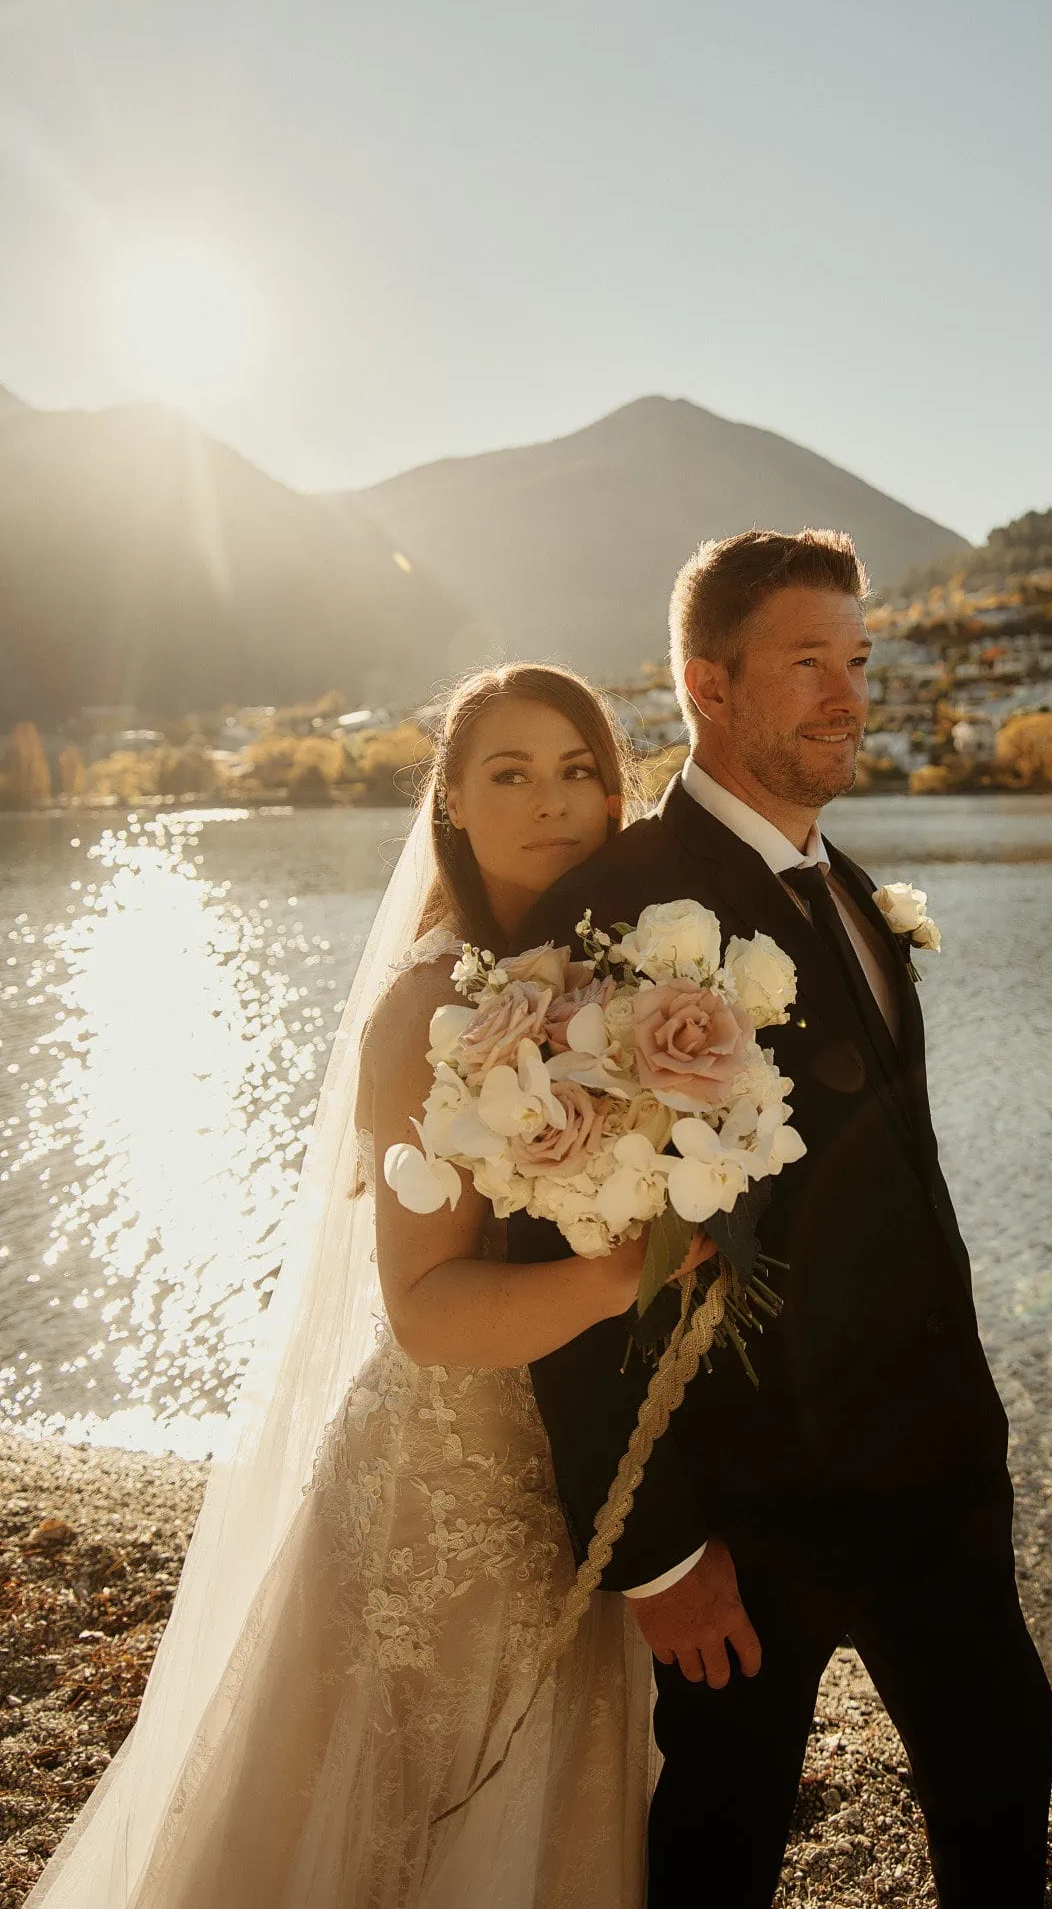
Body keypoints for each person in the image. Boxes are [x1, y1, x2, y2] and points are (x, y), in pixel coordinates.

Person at [29, 663, 704, 1909]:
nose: (553, 801)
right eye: (510, 773)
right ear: (451, 802)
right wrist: (625, 1273)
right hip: (448, 1492)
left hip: (584, 1476)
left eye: (578, 770)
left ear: (616, 792)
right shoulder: (430, 1010)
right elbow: (428, 1311)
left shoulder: (622, 972)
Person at [508, 533, 1052, 1909]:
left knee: (1002, 1780)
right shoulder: (614, 914)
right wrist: (659, 1553)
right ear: (707, 684)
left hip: (941, 1482)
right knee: (724, 1832)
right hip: (751, 1523)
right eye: (807, 662)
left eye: (858, 661)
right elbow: (563, 1249)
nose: (848, 693)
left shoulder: (862, 896)